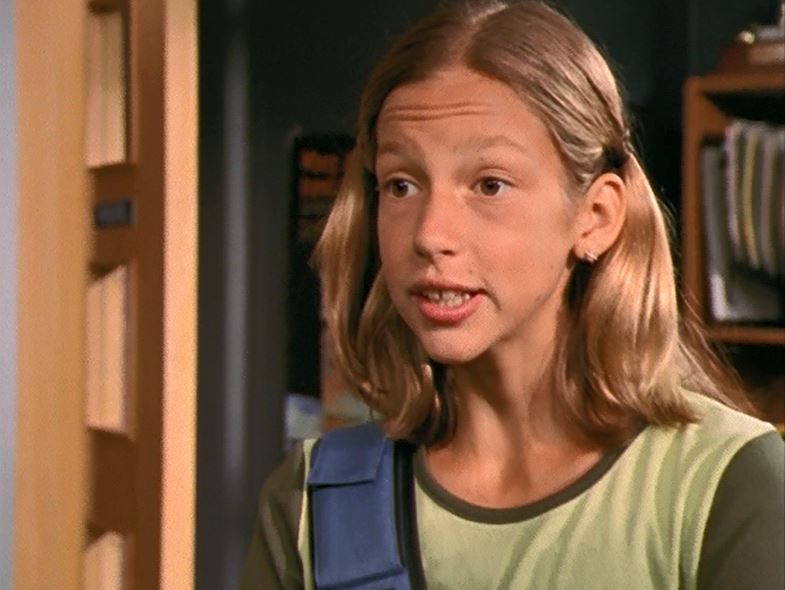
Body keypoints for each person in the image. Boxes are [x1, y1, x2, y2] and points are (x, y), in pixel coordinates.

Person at [240, 1, 785, 588]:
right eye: (401, 185)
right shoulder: (311, 505)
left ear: (596, 216)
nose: (429, 235)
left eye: (489, 185)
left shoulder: (723, 485)